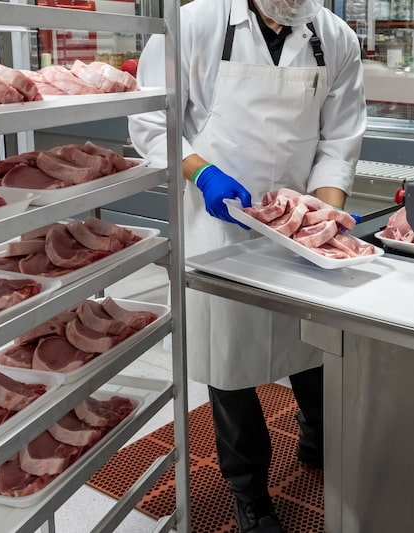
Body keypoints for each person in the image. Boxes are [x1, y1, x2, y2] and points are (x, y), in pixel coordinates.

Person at [128, 0, 366, 530]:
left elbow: (340, 139)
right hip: (217, 223)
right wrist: (201, 172)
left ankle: (317, 437)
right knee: (228, 356)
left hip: (298, 225)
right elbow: (150, 119)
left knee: (313, 342)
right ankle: (249, 493)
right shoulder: (194, 24)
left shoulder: (336, 37)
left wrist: (322, 215)